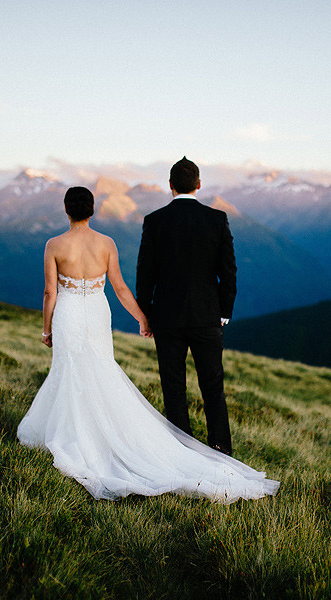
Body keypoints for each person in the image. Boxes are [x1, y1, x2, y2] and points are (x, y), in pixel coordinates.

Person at [17, 186, 278, 503]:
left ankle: (76, 435)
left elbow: (49, 293)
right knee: (100, 370)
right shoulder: (106, 244)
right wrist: (143, 318)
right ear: (93, 209)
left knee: (71, 370)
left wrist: (47, 330)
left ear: (66, 209)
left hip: (69, 314)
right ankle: (103, 434)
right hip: (98, 313)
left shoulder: (54, 245)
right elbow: (121, 288)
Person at [136, 157, 236, 455]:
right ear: (199, 185)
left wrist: (147, 314)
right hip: (207, 315)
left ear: (170, 186)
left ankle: (182, 451)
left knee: (173, 386)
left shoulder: (154, 221)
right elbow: (228, 270)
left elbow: (145, 274)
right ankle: (220, 448)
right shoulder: (217, 219)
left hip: (167, 317)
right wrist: (224, 312)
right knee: (212, 385)